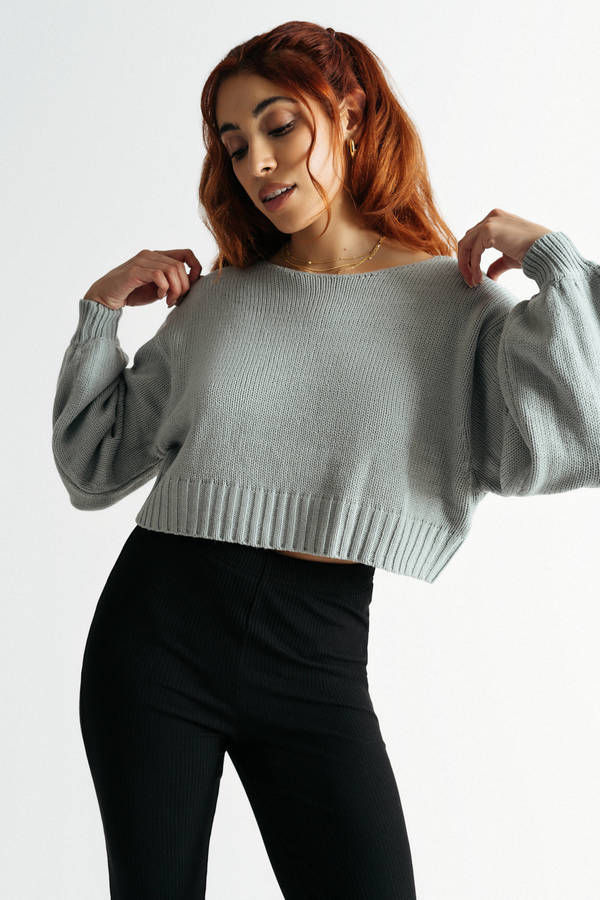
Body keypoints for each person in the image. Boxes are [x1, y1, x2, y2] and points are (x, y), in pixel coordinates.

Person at [51, 20, 600, 900]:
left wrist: (556, 262)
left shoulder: (456, 307)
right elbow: (94, 466)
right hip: (157, 637)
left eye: (279, 126)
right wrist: (99, 314)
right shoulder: (222, 301)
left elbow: (587, 431)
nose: (258, 163)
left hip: (318, 655)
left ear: (347, 114)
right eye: (235, 145)